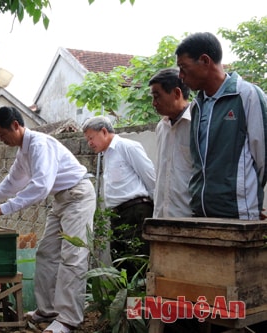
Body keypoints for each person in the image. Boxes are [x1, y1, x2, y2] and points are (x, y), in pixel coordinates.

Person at [0, 106, 96, 333]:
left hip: (77, 196)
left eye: (2, 134)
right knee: (46, 253)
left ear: (16, 126)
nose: (1, 139)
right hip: (61, 200)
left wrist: (5, 207)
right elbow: (12, 183)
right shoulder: (23, 152)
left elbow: (41, 187)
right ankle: (46, 310)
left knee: (73, 257)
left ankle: (68, 319)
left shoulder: (39, 145)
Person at [175, 32, 267, 220]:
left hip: (238, 213)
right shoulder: (196, 106)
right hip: (201, 212)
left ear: (205, 61)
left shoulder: (246, 96)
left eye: (184, 67)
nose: (181, 76)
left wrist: (245, 194)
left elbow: (263, 158)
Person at [82, 116, 155, 274]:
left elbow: (150, 178)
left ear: (104, 131)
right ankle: (127, 298)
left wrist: (157, 211)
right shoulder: (107, 154)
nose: (89, 143)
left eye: (91, 138)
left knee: (137, 262)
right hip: (117, 214)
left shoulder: (128, 146)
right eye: (87, 139)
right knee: (121, 263)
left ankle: (140, 298)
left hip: (136, 211)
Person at [148, 68, 193, 218]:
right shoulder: (162, 126)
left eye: (157, 96)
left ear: (177, 93)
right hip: (161, 217)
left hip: (190, 217)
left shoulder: (198, 123)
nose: (154, 103)